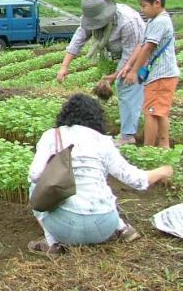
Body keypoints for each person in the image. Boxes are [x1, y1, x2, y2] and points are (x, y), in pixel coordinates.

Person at [28, 93, 173, 256]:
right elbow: (137, 180)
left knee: (34, 186)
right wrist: (163, 171)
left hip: (65, 229)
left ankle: (53, 243)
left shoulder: (53, 135)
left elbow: (35, 174)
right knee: (101, 185)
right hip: (104, 227)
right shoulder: (103, 141)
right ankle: (123, 228)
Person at [57, 0, 145, 147]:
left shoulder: (127, 21)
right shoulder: (90, 19)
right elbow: (78, 39)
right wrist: (64, 66)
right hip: (114, 55)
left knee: (127, 88)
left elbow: (130, 55)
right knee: (124, 89)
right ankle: (131, 125)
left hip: (140, 56)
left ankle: (128, 136)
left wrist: (113, 77)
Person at [120, 0, 180, 148]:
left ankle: (148, 150)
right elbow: (142, 44)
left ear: (157, 3)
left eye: (144, 6)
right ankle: (164, 147)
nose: (142, 10)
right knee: (159, 112)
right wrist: (129, 65)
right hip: (161, 74)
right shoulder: (154, 21)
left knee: (151, 112)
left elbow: (147, 48)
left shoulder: (160, 21)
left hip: (161, 75)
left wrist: (134, 72)